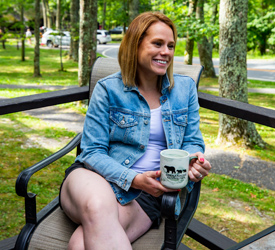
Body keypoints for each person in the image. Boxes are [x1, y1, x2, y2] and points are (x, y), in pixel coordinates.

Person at [60, 11, 211, 250]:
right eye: (158, 44)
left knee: (79, 245)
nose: (167, 52)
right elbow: (92, 152)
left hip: (148, 196)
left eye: (171, 46)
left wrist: (195, 160)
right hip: (95, 179)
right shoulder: (108, 89)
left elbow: (193, 142)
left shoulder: (185, 89)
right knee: (99, 205)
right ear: (135, 45)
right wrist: (133, 179)